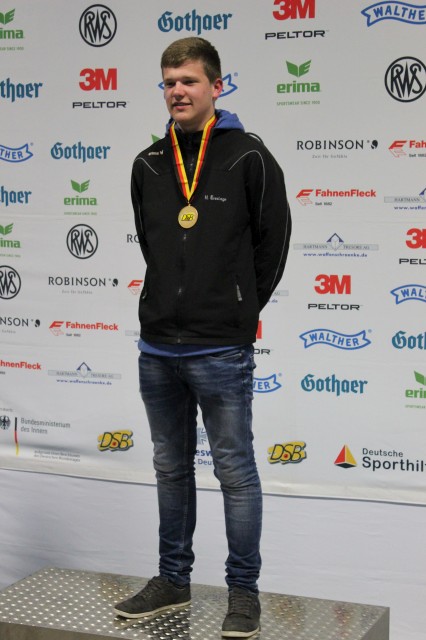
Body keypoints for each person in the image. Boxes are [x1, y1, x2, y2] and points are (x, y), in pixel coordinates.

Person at [114, 36, 291, 638]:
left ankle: (243, 592)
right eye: (169, 82)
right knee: (170, 468)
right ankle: (173, 579)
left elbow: (273, 243)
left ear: (217, 86)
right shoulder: (148, 163)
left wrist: (236, 310)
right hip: (158, 347)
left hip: (220, 346)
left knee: (235, 470)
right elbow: (152, 243)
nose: (178, 92)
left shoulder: (249, 156)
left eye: (188, 81)